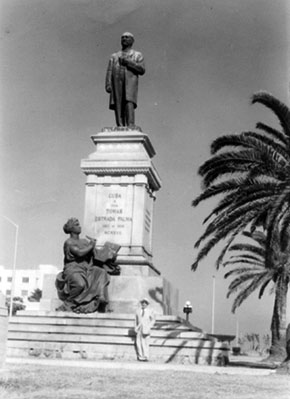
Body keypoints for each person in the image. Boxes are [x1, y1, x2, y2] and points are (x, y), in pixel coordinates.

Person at [55, 218, 111, 313]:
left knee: (101, 272)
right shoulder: (69, 242)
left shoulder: (84, 241)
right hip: (73, 268)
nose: (79, 226)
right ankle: (69, 303)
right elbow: (79, 253)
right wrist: (91, 245)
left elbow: (94, 254)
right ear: (72, 228)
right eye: (77, 225)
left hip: (86, 267)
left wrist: (108, 253)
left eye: (79, 224)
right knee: (80, 284)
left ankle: (100, 297)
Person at [105, 32, 145, 127]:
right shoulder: (114, 56)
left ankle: (130, 124)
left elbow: (142, 69)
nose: (124, 39)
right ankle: (120, 125)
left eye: (127, 37)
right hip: (117, 81)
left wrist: (129, 63)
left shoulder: (137, 55)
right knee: (118, 103)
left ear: (132, 40)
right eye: (122, 37)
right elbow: (109, 70)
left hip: (129, 82)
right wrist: (108, 83)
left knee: (129, 102)